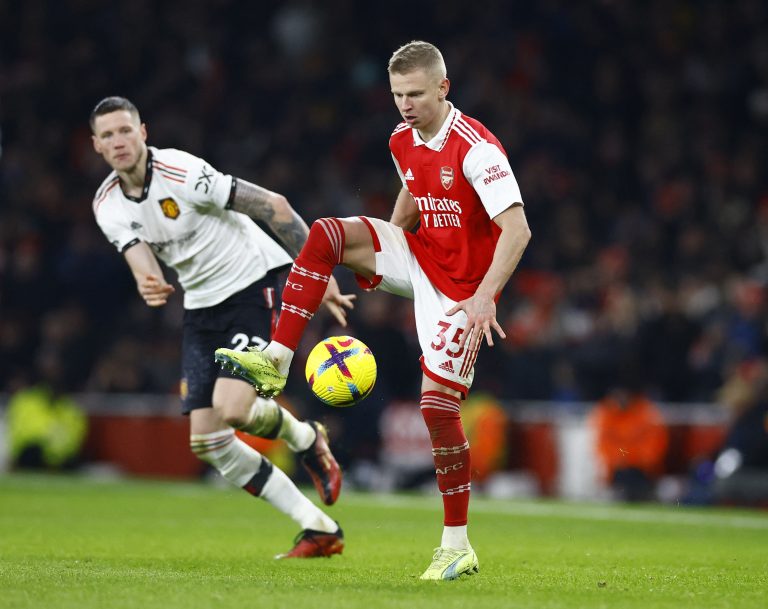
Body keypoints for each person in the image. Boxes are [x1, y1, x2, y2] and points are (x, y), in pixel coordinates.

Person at [216, 41, 531, 579]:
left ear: (442, 88)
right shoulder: (399, 139)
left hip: (464, 291)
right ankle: (276, 358)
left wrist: (483, 296)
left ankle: (456, 544)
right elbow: (413, 192)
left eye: (414, 94)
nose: (405, 105)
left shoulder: (477, 149)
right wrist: (384, 242)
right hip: (422, 255)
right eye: (397, 95)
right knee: (325, 235)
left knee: (437, 409)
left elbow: (518, 229)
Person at [90, 96, 356, 558]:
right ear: (96, 146)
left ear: (143, 132)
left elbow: (273, 204)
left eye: (125, 130)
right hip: (201, 306)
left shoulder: (182, 173)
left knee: (232, 408)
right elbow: (139, 258)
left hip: (252, 286)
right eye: (108, 135)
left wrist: (317, 273)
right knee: (208, 441)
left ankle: (307, 439)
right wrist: (146, 282)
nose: (118, 141)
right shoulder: (107, 203)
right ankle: (319, 527)